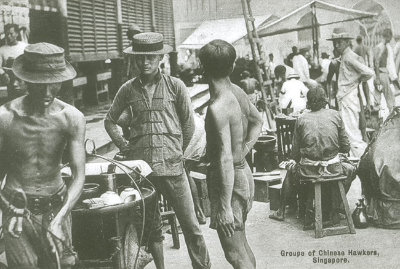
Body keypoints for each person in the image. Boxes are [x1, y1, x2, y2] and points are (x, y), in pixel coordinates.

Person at [104, 32, 210, 269]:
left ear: (161, 57)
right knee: (151, 228)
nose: (145, 62)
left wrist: (176, 152)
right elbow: (110, 121)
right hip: (143, 172)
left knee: (192, 226)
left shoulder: (176, 86)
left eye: (151, 57)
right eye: (140, 58)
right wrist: (125, 147)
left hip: (173, 168)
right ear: (134, 60)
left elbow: (188, 124)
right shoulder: (128, 90)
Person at [0, 42, 85, 268]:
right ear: (26, 80)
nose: (47, 93)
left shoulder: (72, 118)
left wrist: (61, 216)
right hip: (17, 210)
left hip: (56, 207)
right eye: (40, 85)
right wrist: (5, 209)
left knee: (63, 264)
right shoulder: (5, 118)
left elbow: (79, 176)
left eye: (53, 84)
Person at [199, 39, 263, 269]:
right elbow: (258, 121)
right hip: (242, 172)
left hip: (229, 180)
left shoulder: (218, 107)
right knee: (242, 244)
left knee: (234, 253)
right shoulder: (237, 92)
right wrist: (244, 149)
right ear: (232, 66)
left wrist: (224, 206)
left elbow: (225, 157)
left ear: (202, 68)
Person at [269, 84, 354, 223]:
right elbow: (345, 147)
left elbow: (295, 154)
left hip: (309, 171)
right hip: (334, 170)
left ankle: (281, 211)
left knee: (291, 171)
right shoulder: (335, 115)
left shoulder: (301, 119)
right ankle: (335, 208)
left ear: (308, 102)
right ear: (324, 100)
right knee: (351, 169)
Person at [327, 27, 374, 158]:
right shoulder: (344, 57)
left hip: (349, 97)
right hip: (346, 97)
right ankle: (357, 160)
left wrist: (356, 81)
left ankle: (362, 159)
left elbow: (369, 72)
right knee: (349, 132)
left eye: (339, 42)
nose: (336, 45)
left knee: (352, 133)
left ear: (347, 42)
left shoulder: (349, 57)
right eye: (334, 43)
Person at [374, 28, 400, 112]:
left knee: (377, 97)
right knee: (390, 98)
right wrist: (378, 78)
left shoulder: (384, 47)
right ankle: (393, 116)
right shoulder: (382, 47)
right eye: (390, 37)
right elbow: (377, 62)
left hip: (380, 74)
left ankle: (375, 117)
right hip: (382, 74)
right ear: (387, 37)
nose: (391, 39)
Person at [0, 24, 28, 100]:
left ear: (17, 34)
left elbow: (30, 62)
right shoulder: (2, 49)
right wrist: (3, 74)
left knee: (24, 99)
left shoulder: (25, 47)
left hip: (23, 79)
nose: (9, 36)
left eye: (11, 34)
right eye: (7, 34)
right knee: (12, 99)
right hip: (10, 79)